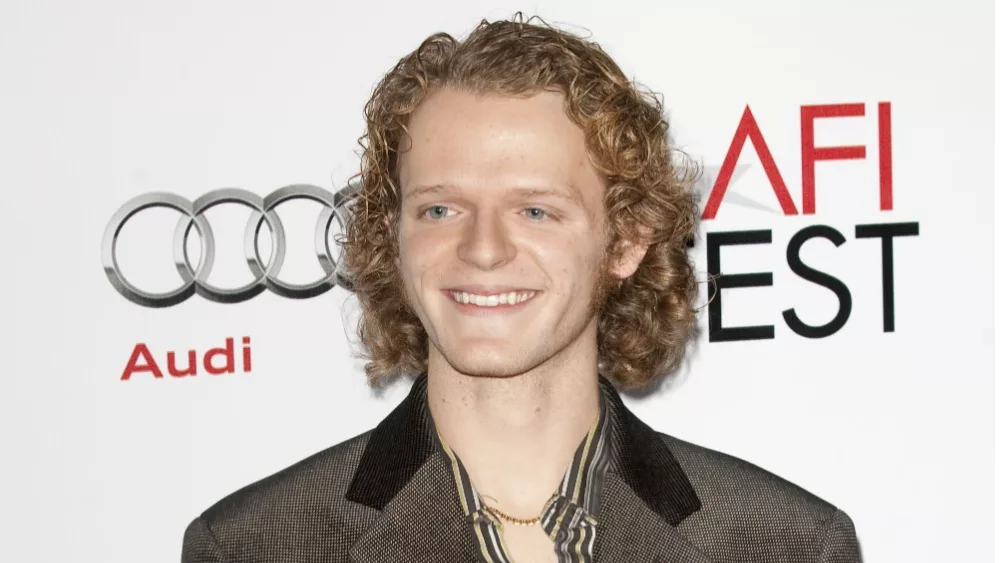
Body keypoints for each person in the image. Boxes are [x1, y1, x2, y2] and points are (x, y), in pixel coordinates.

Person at [182, 15, 861, 563]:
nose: (482, 249)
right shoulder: (253, 546)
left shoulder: (786, 545)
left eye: (535, 210)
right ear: (393, 236)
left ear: (625, 240)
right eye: (440, 209)